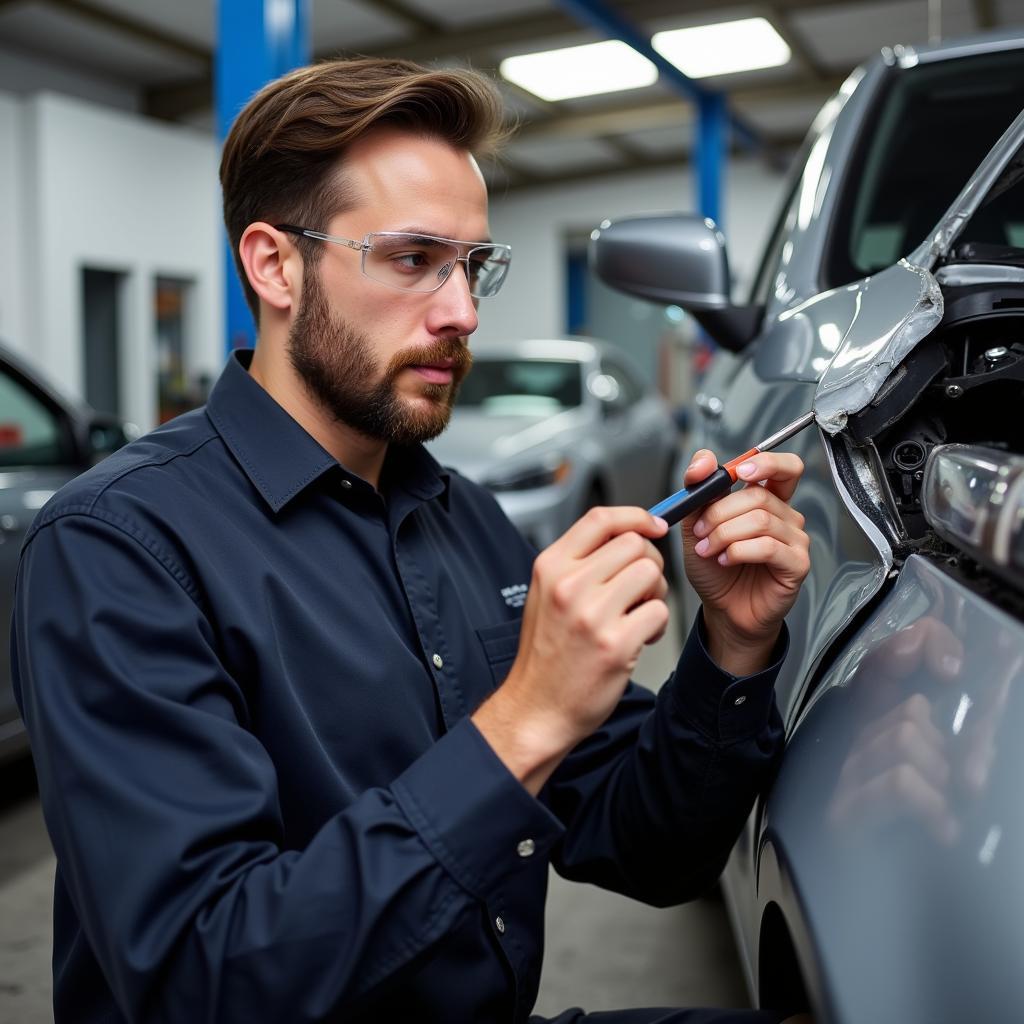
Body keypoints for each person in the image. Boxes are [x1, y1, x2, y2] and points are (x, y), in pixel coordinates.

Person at [12, 58, 812, 1024]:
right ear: (273, 265)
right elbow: (202, 978)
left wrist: (731, 646)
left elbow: (654, 850)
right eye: (411, 259)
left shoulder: (465, 521)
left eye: (473, 265)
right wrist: (520, 723)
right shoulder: (122, 546)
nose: (462, 314)